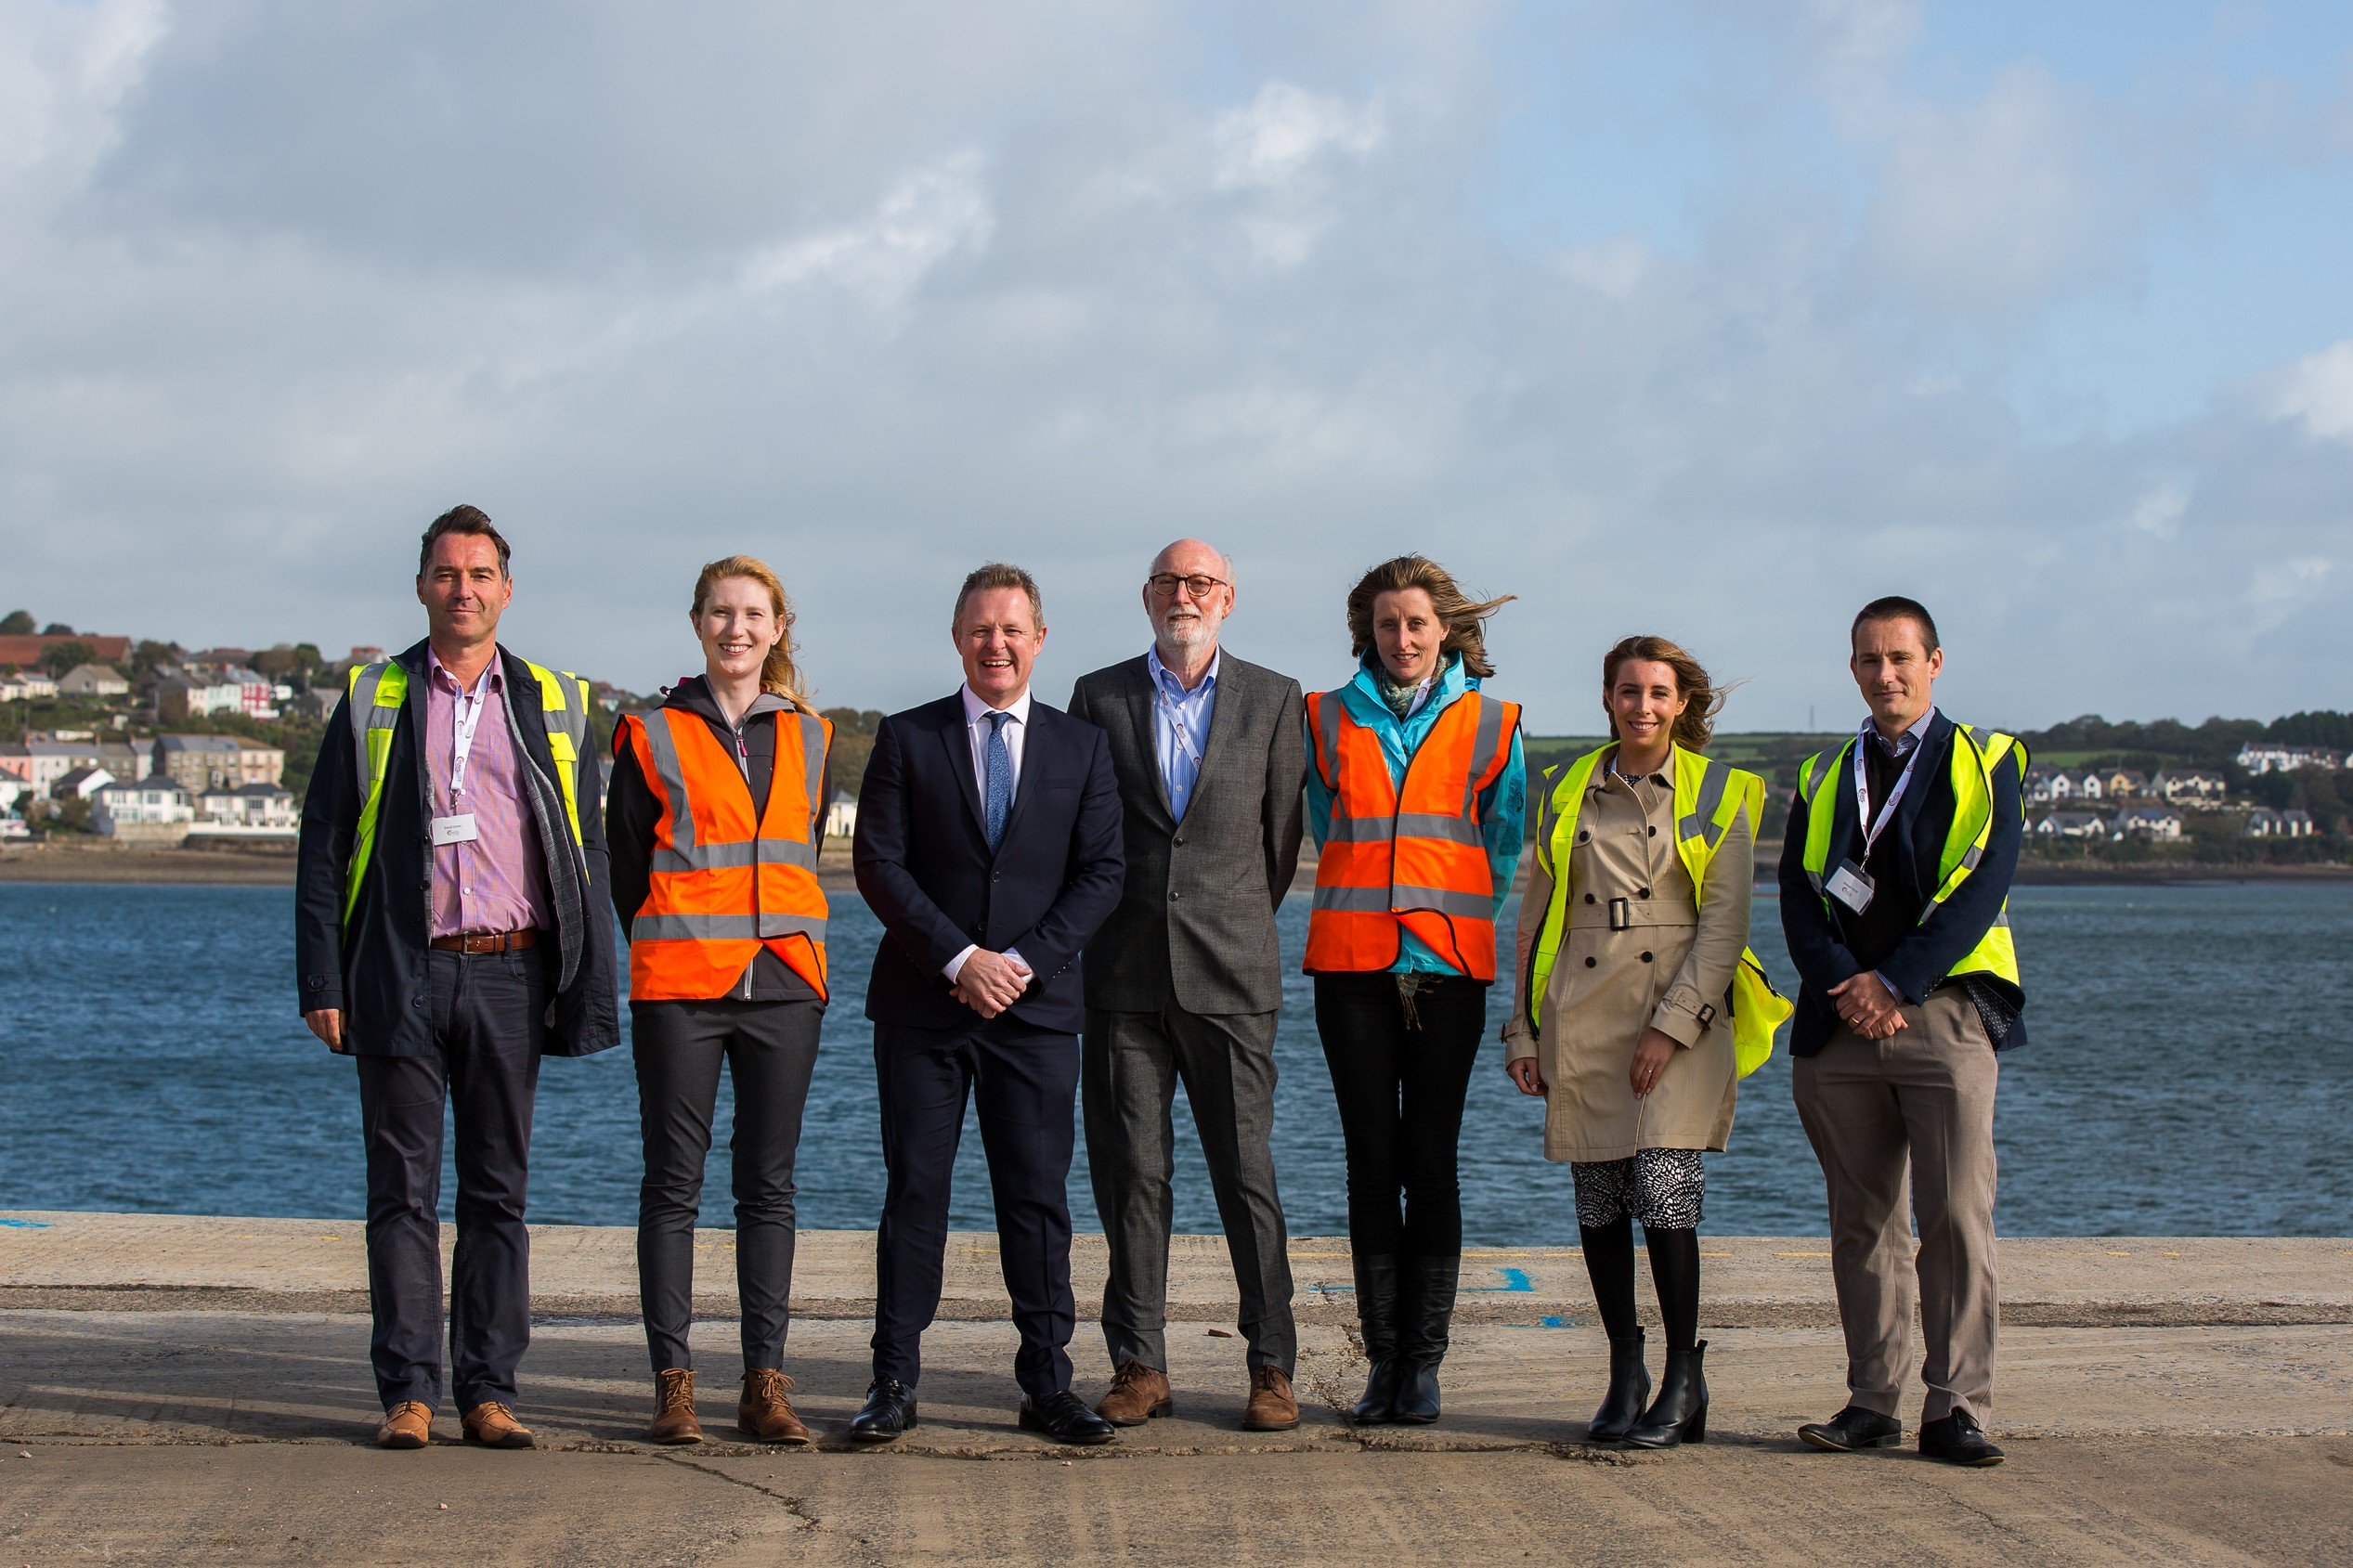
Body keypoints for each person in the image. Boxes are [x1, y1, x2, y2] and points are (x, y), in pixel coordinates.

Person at [293, 505, 619, 1452]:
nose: (463, 590)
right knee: (400, 1193)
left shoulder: (558, 699)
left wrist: (586, 975)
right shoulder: (372, 695)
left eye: (480, 575)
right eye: (446, 573)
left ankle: (488, 1389)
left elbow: (586, 847)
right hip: (399, 970)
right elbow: (323, 846)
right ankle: (408, 1392)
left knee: (496, 1194)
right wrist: (323, 978)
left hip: (510, 974)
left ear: (506, 591)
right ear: (423, 586)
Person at [850, 563, 1125, 1446]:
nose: (995, 644)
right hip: (925, 1010)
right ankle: (893, 1380)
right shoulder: (906, 737)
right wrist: (961, 958)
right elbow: (879, 866)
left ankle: (1048, 1381)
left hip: (1036, 1014)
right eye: (979, 629)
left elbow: (1102, 874)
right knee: (914, 1194)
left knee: (1038, 1201)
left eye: (1012, 630)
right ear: (957, 638)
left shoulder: (1080, 747)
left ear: (1039, 639)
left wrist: (1020, 965)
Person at [1502, 637, 1789, 1447]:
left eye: (1659, 693)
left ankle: (1682, 1374)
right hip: (1583, 1005)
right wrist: (1521, 1026)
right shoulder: (1564, 785)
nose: (1642, 706)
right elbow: (1535, 916)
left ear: (1682, 704)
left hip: (1682, 1007)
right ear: (1607, 697)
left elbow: (1726, 925)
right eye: (1628, 691)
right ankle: (1624, 1370)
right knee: (1599, 1199)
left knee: (1665, 1188)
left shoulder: (1726, 789)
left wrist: (1672, 1026)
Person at [1779, 596, 2027, 1468]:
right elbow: (1799, 898)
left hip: (1946, 1013)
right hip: (1840, 1023)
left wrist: (1897, 982)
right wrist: (1846, 984)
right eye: (1869, 660)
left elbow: (1981, 886)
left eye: (1901, 658)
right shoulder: (1822, 774)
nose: (1886, 674)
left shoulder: (1988, 758)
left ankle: (1955, 1406)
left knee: (1957, 1215)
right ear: (1852, 668)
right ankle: (1872, 1400)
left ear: (1935, 663)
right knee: (1863, 1221)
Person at [1067, 539, 1308, 1433]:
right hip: (1122, 974)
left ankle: (1271, 1366)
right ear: (1146, 596)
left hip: (1233, 971)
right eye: (1170, 581)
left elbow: (1280, 842)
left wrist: (1229, 917)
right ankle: (1139, 1363)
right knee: (1132, 1174)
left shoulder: (1276, 698)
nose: (1185, 594)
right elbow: (1086, 833)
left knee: (1246, 1174)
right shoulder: (1099, 695)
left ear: (1229, 599)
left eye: (1201, 582)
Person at [605, 556, 832, 1446]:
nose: (736, 628)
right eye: (720, 613)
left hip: (786, 985)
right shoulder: (649, 731)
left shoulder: (812, 735)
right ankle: (674, 1383)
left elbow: (802, 844)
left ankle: (765, 1383)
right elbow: (627, 866)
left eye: (753, 614)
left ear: (777, 627)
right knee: (673, 1185)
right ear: (697, 624)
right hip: (681, 987)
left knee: (768, 1188)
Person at [1304, 554, 1526, 1426]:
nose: (1402, 639)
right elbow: (1327, 825)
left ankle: (1424, 1364)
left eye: (1417, 624)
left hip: (1445, 971)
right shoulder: (1323, 718)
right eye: (1388, 625)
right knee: (1371, 1167)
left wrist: (1445, 915)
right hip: (1352, 967)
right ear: (1369, 632)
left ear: (1445, 631)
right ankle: (1382, 1359)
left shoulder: (1494, 721)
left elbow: (1501, 844)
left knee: (1430, 1167)